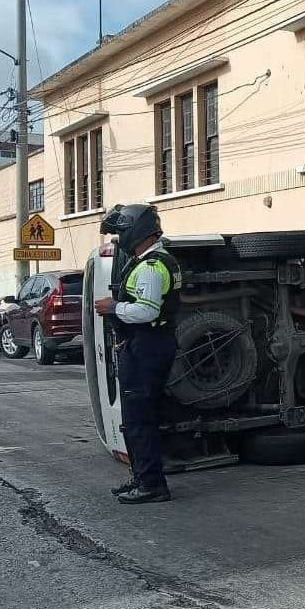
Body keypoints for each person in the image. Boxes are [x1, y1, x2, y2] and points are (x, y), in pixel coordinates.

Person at [94, 204, 181, 505]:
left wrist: (112, 308)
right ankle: (142, 477)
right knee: (135, 418)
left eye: (121, 232)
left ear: (136, 231)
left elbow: (147, 311)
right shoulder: (146, 261)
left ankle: (152, 485)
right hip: (145, 345)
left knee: (139, 419)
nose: (119, 238)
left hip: (148, 346)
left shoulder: (152, 267)